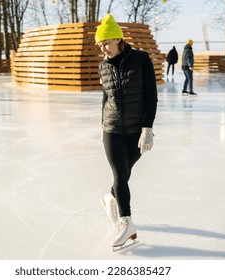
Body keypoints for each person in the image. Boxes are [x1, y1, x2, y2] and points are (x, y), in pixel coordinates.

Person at [95, 14, 158, 248]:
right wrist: (103, 123)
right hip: (111, 130)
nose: (103, 49)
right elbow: (106, 97)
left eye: (106, 43)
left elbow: (151, 97)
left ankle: (110, 199)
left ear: (118, 39)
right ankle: (126, 222)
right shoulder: (103, 66)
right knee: (120, 175)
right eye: (100, 45)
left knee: (125, 174)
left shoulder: (141, 60)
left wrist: (147, 129)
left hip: (136, 130)